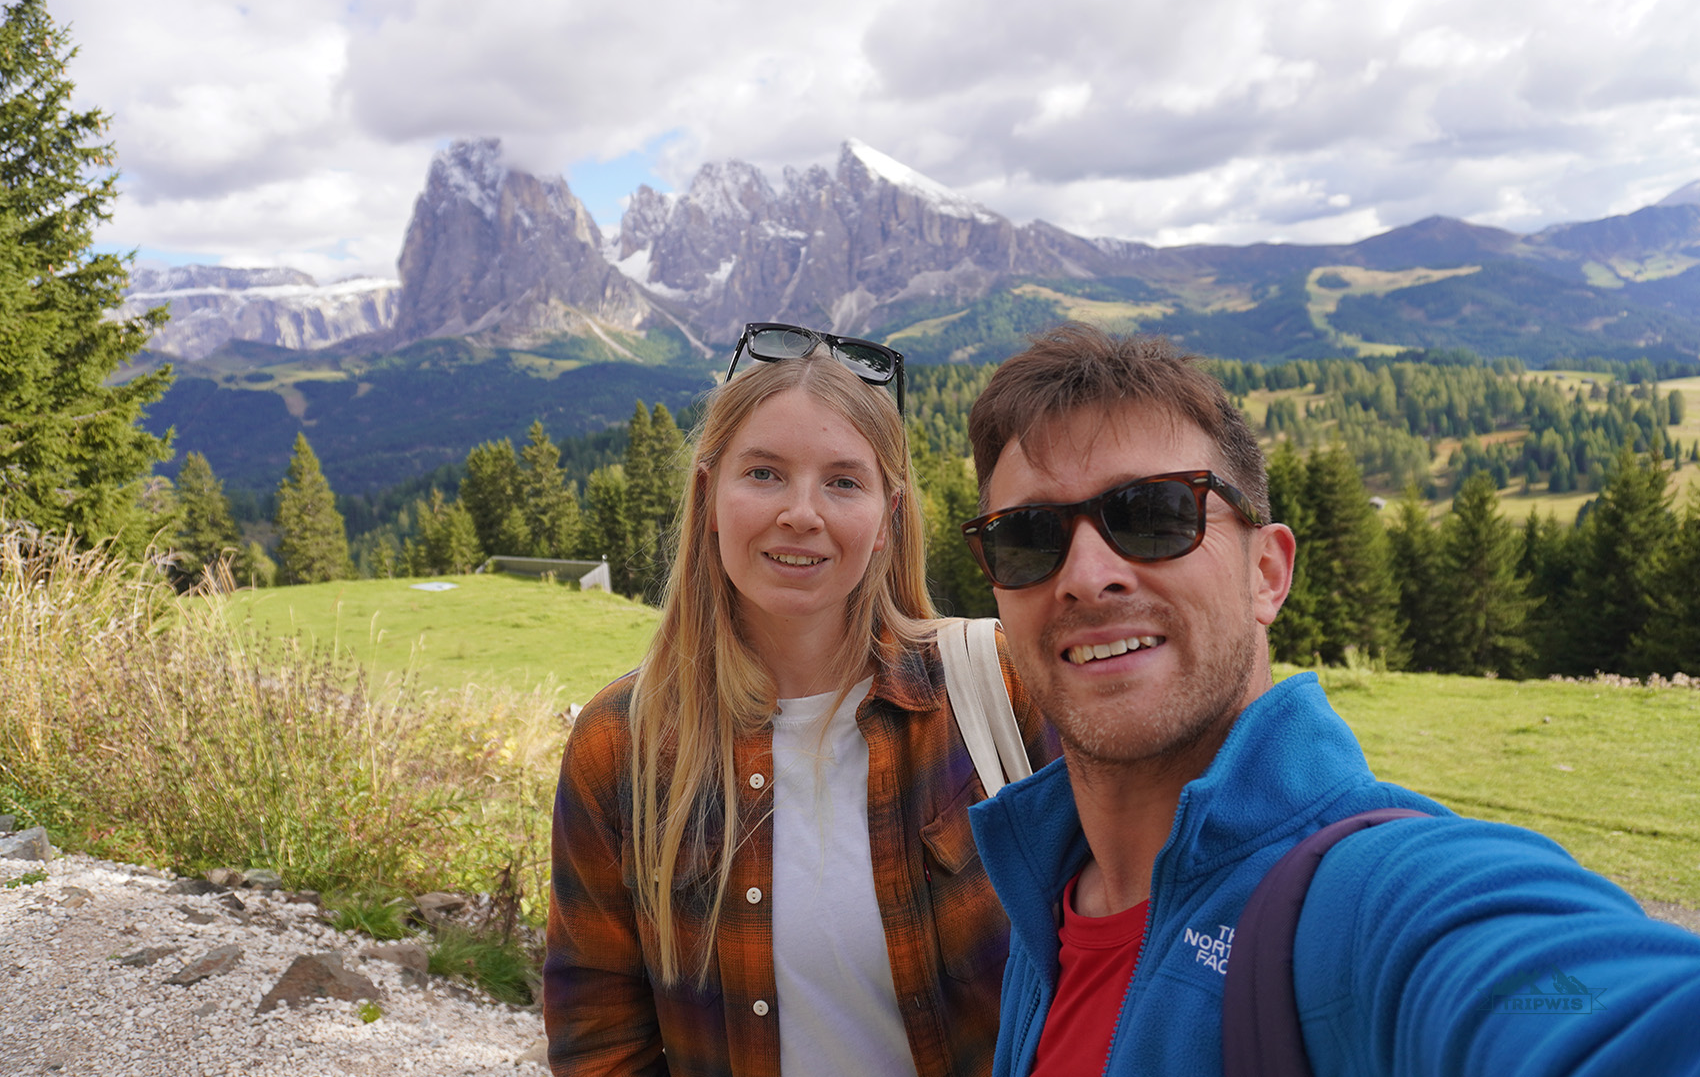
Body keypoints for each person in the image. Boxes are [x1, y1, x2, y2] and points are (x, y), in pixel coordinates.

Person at [959, 322, 1700, 1076]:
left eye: (1154, 515)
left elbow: (1584, 1005)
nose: (1087, 573)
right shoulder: (1046, 888)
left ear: (1268, 574)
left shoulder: (1371, 900)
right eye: (1028, 536)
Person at [543, 323, 1060, 1077]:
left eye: (844, 482)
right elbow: (600, 1044)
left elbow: (1116, 960)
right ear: (709, 497)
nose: (802, 513)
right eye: (764, 473)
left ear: (887, 518)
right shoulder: (622, 743)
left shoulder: (1000, 687)